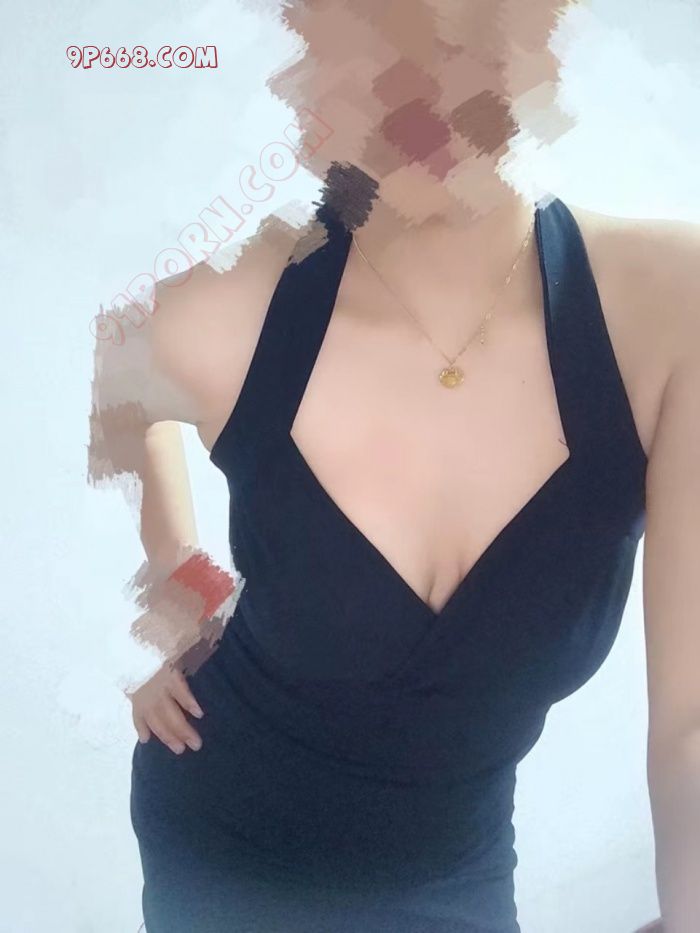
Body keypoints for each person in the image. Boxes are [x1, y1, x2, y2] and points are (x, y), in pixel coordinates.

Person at [88, 1, 700, 930]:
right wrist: (170, 587)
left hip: (452, 869)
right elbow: (114, 369)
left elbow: (689, 723)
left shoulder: (671, 309)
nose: (421, 90)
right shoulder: (242, 306)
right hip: (223, 840)